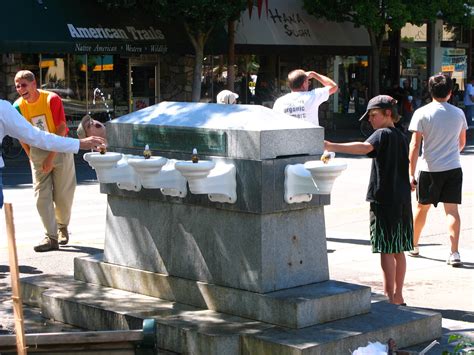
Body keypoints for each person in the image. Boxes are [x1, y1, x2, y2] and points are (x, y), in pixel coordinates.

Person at [324, 95, 413, 305]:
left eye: (374, 115)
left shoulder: (381, 134)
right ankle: (398, 295)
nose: (371, 120)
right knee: (399, 249)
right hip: (402, 199)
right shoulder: (401, 135)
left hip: (384, 199)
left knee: (385, 249)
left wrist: (331, 145)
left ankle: (388, 296)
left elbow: (363, 148)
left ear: (388, 114)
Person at [0, 99, 105, 209]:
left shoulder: (3, 108)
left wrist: (78, 144)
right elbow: (36, 137)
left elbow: (37, 137)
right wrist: (78, 144)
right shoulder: (3, 108)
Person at [408, 74, 467, 266]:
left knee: (421, 208)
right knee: (452, 211)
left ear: (430, 91)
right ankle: (454, 253)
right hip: (452, 167)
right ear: (450, 92)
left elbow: (415, 145)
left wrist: (411, 172)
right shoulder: (458, 113)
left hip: (429, 168)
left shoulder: (422, 113)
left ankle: (414, 245)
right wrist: (450, 152)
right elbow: (462, 143)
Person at [14, 70, 75, 252]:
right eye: (17, 86)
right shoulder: (17, 106)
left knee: (63, 194)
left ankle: (62, 226)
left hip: (60, 146)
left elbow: (62, 128)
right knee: (41, 195)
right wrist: (30, 155)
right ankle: (51, 237)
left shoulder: (51, 99)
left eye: (23, 85)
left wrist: (51, 157)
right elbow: (21, 135)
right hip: (38, 150)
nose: (20, 89)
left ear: (34, 84)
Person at [272, 69, 338, 126]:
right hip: (311, 139)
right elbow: (333, 86)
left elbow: (275, 123)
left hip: (287, 139)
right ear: (304, 84)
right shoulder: (313, 96)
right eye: (308, 82)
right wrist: (314, 74)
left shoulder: (279, 102)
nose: (308, 84)